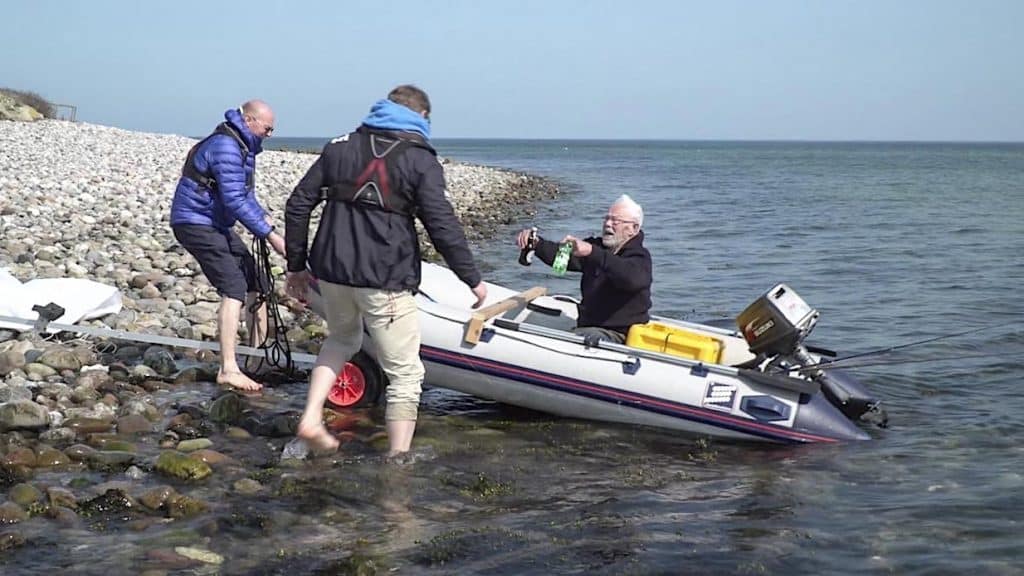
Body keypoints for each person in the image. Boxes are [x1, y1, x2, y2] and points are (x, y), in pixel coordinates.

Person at [284, 85, 488, 455]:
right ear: (421, 117)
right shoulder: (420, 160)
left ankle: (311, 416)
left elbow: (298, 204)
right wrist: (471, 277)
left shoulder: (339, 147)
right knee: (406, 373)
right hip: (385, 279)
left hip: (331, 271)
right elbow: (441, 223)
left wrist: (297, 266)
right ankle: (398, 461)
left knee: (341, 340)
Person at [170, 100, 286, 392]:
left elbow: (245, 195)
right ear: (249, 121)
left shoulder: (245, 147)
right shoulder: (226, 146)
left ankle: (257, 360)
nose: (270, 134)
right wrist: (271, 236)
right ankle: (228, 369)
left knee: (258, 283)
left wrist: (262, 216)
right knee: (234, 287)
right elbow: (234, 200)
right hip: (194, 222)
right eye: (267, 128)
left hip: (216, 224)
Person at [515, 194, 652, 344]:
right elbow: (561, 261)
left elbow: (631, 278)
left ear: (633, 228)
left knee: (568, 341)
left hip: (619, 334)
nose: (607, 224)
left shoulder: (640, 257)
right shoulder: (597, 247)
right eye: (606, 219)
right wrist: (536, 243)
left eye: (615, 221)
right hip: (590, 326)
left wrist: (591, 252)